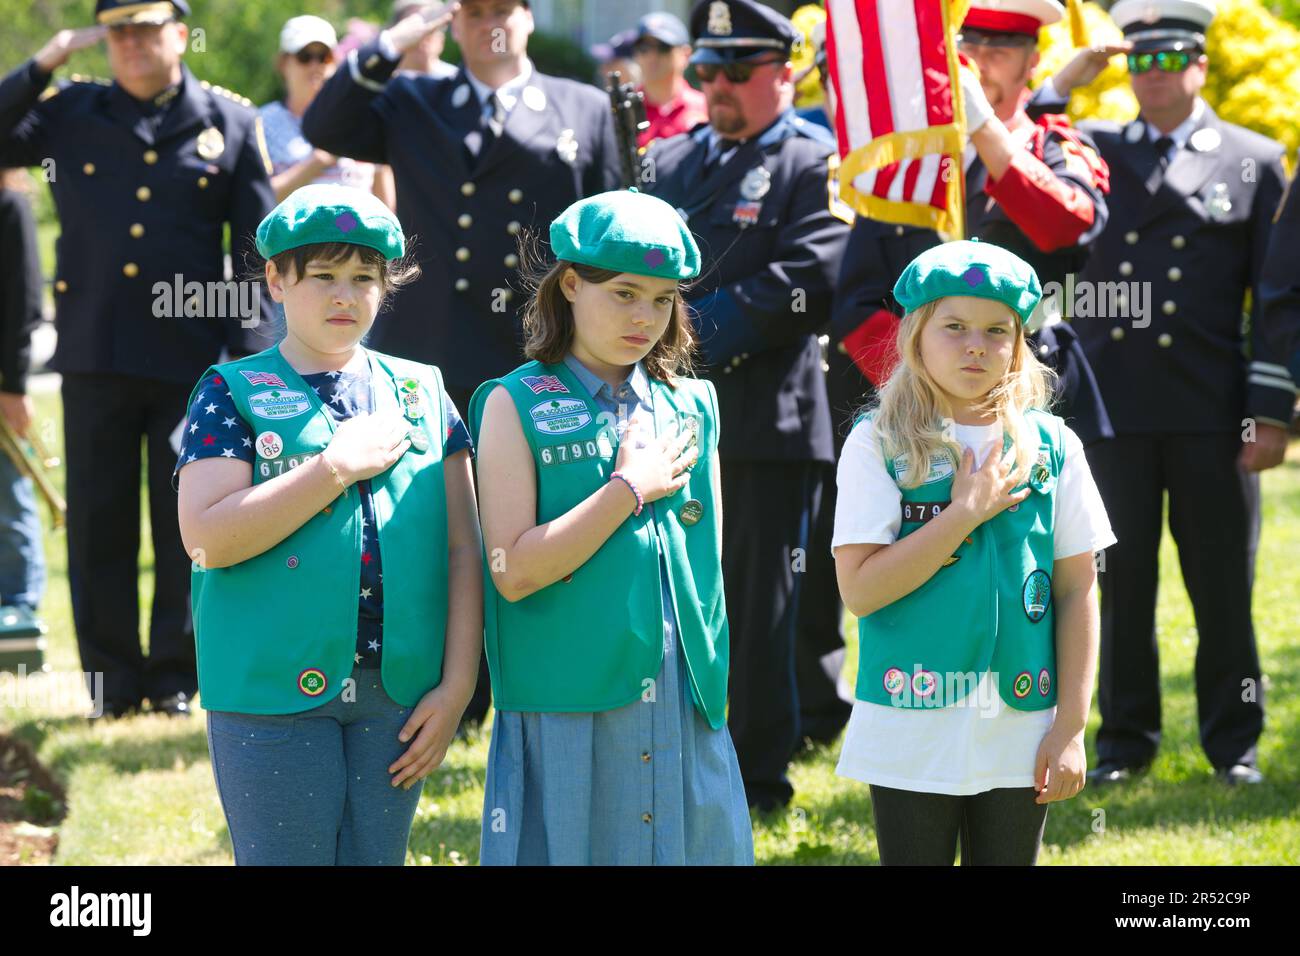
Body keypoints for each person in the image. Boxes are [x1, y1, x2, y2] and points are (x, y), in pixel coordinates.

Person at [303, 0, 621, 726]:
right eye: (471, 10)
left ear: (529, 17)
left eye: (501, 9)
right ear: (452, 22)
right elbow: (325, 125)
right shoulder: (415, 98)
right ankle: (455, 683)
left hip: (534, 354)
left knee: (537, 517)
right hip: (432, 355)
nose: (488, 23)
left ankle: (532, 672)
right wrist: (392, 42)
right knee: (439, 525)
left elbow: (610, 225)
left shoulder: (583, 106)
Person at [175, 184, 482, 866]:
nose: (345, 297)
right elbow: (206, 538)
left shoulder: (423, 392)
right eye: (323, 278)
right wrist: (331, 471)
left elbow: (465, 549)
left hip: (396, 688)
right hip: (269, 685)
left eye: (364, 279)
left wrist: (457, 685)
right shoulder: (230, 391)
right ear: (277, 281)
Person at [0, 0, 276, 719]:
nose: (131, 44)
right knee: (99, 525)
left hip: (191, 361)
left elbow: (254, 260)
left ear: (180, 34)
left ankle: (174, 679)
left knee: (187, 525)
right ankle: (109, 686)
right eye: (117, 31)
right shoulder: (69, 112)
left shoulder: (230, 121)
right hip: (96, 353)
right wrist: (44, 61)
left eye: (147, 29)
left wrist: (247, 366)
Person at [1045, 0, 1294, 786]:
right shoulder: (1093, 146)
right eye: (1138, 61)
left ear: (1199, 65)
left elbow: (1277, 295)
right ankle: (1123, 744)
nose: (1152, 75)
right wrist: (1062, 81)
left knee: (1223, 585)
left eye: (1168, 60)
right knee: (1116, 586)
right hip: (1109, 408)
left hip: (1212, 411)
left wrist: (1273, 411)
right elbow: (1024, 167)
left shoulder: (1253, 157)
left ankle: (1235, 745)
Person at [471, 188, 752, 865]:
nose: (645, 317)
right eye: (623, 293)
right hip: (570, 698)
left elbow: (701, 567)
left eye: (662, 299)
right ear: (570, 283)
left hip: (683, 700)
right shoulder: (512, 403)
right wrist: (626, 491)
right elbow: (514, 572)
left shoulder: (695, 405)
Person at [833, 240, 1112, 865]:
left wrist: (1070, 727)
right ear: (914, 334)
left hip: (1024, 718)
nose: (975, 347)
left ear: (1019, 343)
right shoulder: (877, 443)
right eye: (954, 327)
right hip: (912, 714)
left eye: (996, 331)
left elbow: (1075, 589)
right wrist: (964, 514)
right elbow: (861, 590)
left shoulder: (1054, 444)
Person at [644, 0, 852, 812]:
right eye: (706, 71)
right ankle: (679, 759)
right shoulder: (668, 160)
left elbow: (805, 280)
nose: (717, 86)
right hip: (666, 423)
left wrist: (667, 333)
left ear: (785, 72)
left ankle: (756, 778)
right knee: (672, 598)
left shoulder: (815, 160)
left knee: (761, 609)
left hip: (768, 422)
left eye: (737, 70)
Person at [833, 0, 1112, 450]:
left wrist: (983, 127)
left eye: (1000, 48)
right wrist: (927, 380)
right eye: (968, 44)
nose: (980, 62)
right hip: (920, 402)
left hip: (1035, 379)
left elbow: (1066, 225)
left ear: (1033, 60)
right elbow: (857, 304)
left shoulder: (1054, 145)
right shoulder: (911, 163)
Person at [260, 15, 378, 202]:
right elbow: (259, 197)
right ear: (283, 64)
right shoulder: (262, 123)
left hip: (355, 230)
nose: (315, 66)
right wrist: (318, 162)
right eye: (304, 56)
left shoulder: (359, 116)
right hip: (297, 232)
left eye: (324, 57)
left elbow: (383, 195)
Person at [0, 169, 46, 617]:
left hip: (0, 381)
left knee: (7, 495)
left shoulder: (9, 206)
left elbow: (24, 300)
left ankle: (19, 607)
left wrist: (13, 385)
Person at [630, 12, 707, 148]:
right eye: (644, 48)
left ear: (686, 54)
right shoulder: (623, 110)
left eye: (663, 47)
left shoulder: (706, 108)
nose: (652, 56)